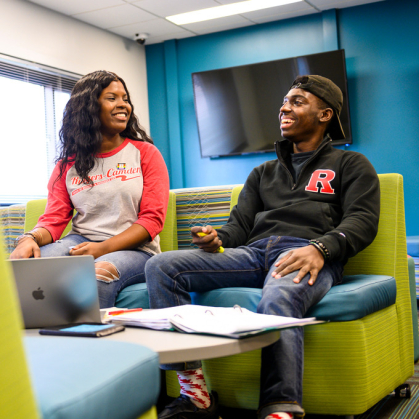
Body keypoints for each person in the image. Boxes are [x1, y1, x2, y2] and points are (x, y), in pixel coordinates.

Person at [145, 75, 380, 419]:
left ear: (325, 115)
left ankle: (279, 409)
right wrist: (217, 239)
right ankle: (195, 392)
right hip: (254, 253)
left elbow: (362, 220)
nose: (284, 107)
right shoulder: (262, 172)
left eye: (298, 101)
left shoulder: (351, 164)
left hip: (306, 252)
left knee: (279, 296)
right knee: (161, 266)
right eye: (285, 101)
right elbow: (238, 225)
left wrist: (321, 248)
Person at [11, 70, 169, 309]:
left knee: (97, 275)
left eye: (125, 98)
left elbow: (152, 220)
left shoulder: (145, 154)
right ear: (88, 108)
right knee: (24, 267)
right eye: (112, 98)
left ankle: (94, 342)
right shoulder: (68, 165)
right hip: (81, 241)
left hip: (137, 250)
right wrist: (29, 238)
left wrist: (102, 249)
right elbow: (54, 219)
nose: (123, 105)